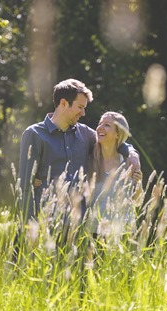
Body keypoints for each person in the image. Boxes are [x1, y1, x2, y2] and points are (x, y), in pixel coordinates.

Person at [18, 78, 141, 223]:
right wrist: (30, 226)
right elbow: (24, 187)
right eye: (80, 107)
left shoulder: (84, 133)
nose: (83, 113)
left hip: (76, 226)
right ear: (63, 103)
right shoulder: (34, 134)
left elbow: (112, 140)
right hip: (44, 221)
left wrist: (132, 153)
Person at [86, 111, 143, 241]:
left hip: (123, 233)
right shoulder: (89, 161)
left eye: (107, 125)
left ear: (118, 134)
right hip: (93, 233)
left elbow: (137, 202)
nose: (100, 127)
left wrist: (139, 183)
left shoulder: (128, 163)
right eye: (100, 124)